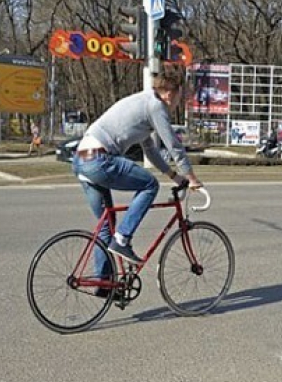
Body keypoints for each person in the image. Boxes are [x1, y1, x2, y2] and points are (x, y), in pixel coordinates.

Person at [72, 73, 203, 268]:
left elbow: (150, 150)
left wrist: (174, 176)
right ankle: (123, 239)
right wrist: (192, 178)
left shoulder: (143, 103)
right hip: (100, 160)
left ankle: (104, 285)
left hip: (81, 160)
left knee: (106, 225)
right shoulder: (155, 106)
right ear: (169, 94)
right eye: (179, 96)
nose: (179, 102)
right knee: (150, 185)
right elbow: (173, 146)